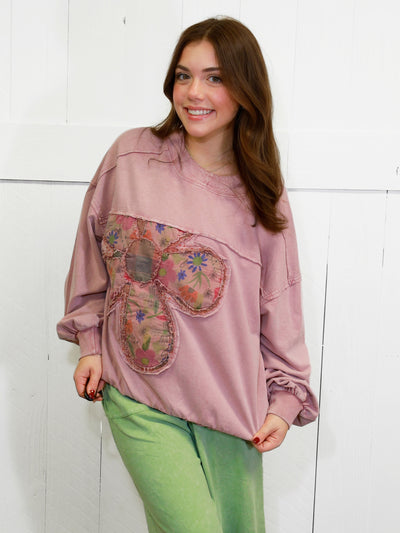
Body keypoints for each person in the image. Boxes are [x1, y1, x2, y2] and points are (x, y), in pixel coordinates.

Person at [57, 16, 318, 533]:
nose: (194, 92)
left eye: (215, 78)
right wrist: (90, 342)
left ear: (245, 90)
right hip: (139, 396)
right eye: (184, 75)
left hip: (231, 408)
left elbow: (280, 305)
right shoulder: (131, 157)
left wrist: (285, 401)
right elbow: (91, 254)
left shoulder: (262, 196)